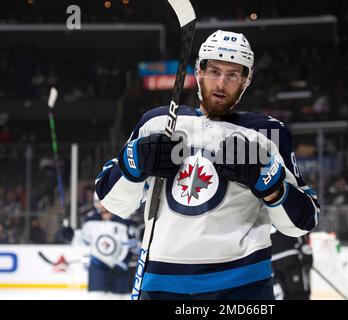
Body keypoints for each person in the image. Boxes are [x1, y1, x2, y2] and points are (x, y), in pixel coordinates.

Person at [95, 30, 320, 300]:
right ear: (198, 72)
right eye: (214, 71)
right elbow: (113, 201)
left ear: (246, 80)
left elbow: (303, 221)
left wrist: (271, 185)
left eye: (233, 74)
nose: (221, 84)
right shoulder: (158, 123)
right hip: (161, 286)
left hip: (242, 289)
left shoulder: (267, 132)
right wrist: (133, 163)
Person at [81, 194, 138, 299]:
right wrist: (70, 236)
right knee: (97, 296)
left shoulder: (125, 221)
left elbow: (132, 247)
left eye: (104, 202)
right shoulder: (89, 220)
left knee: (119, 297)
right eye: (99, 202)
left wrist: (121, 264)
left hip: (119, 267)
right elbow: (83, 241)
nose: (102, 206)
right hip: (98, 265)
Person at [271, 228, 313, 300]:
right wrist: (307, 252)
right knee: (299, 294)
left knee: (285, 295)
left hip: (272, 258)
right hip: (292, 258)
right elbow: (300, 225)